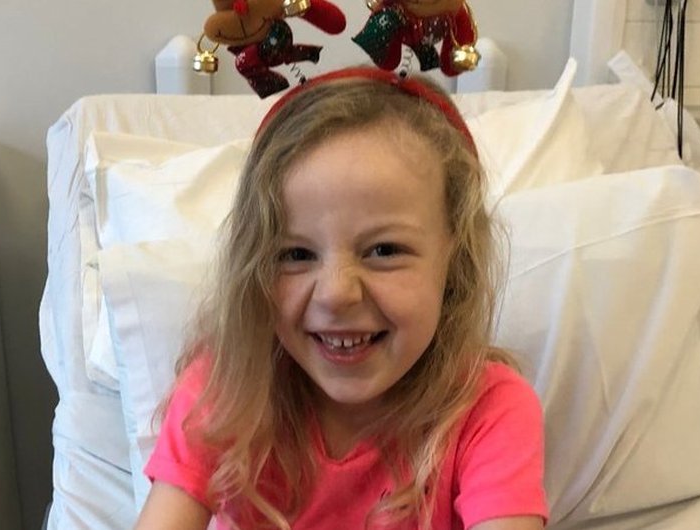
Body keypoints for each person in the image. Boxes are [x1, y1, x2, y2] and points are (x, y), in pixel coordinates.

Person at [134, 67, 548, 530]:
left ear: (455, 258)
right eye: (295, 254)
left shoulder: (488, 409)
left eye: (384, 251)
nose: (336, 294)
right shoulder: (225, 389)